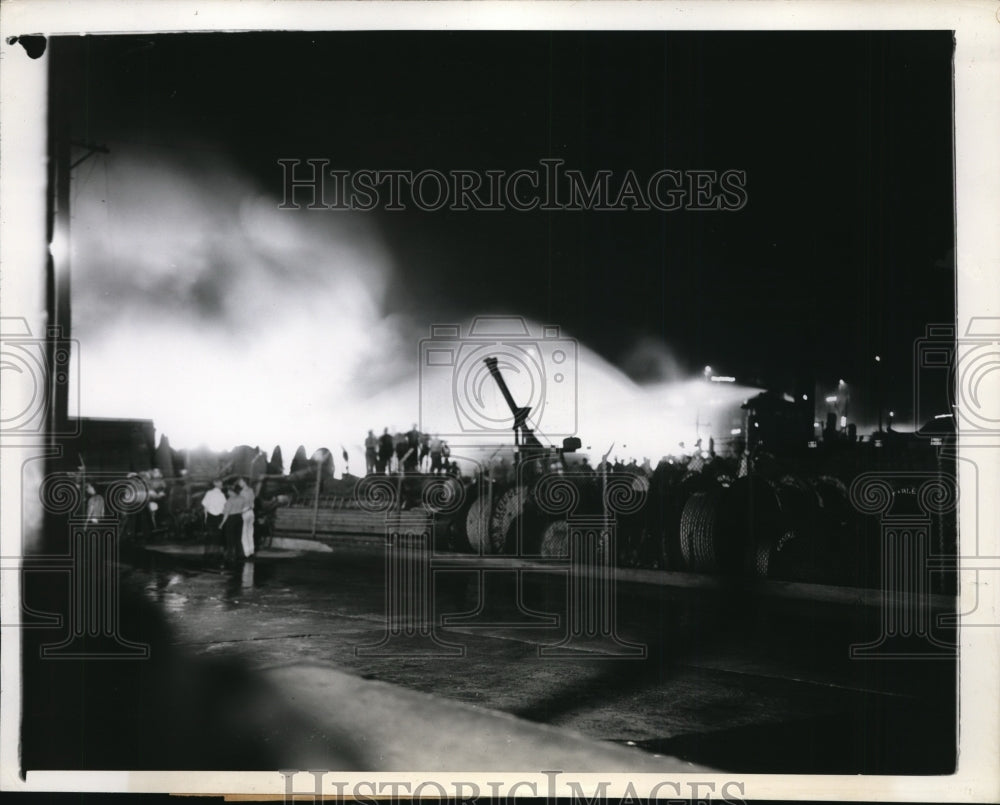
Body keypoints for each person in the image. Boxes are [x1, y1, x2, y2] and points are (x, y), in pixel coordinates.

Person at [219, 488, 244, 562]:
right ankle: (239, 554)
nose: (227, 494)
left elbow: (226, 514)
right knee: (238, 537)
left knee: (230, 537)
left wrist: (221, 523)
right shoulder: (242, 498)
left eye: (227, 492)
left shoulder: (230, 500)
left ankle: (230, 556)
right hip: (240, 518)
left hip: (231, 519)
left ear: (230, 491)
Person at [201, 479, 226, 548]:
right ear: (217, 485)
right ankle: (216, 554)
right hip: (219, 517)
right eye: (221, 484)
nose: (222, 485)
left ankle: (208, 554)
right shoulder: (222, 495)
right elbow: (224, 508)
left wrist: (205, 517)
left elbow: (205, 506)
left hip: (210, 516)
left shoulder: (209, 493)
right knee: (217, 536)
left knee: (209, 535)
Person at [236, 477, 255, 559]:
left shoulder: (242, 492)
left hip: (244, 512)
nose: (239, 483)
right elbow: (253, 503)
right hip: (251, 512)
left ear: (244, 482)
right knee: (250, 533)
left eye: (240, 481)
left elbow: (241, 504)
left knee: (244, 534)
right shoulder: (251, 490)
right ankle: (251, 551)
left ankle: (246, 553)